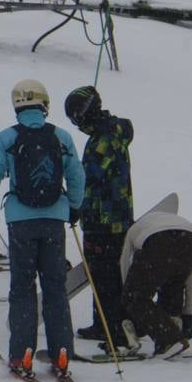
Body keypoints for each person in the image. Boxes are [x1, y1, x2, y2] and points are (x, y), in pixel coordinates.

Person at [0, 79, 84, 379]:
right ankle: (62, 350)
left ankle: (22, 352)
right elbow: (76, 174)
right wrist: (74, 206)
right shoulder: (61, 137)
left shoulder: (7, 138)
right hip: (54, 219)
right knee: (55, 286)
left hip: (20, 221)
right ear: (44, 103)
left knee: (22, 287)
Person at [64, 85, 133, 345]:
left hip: (105, 220)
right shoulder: (109, 133)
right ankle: (103, 322)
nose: (76, 122)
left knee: (106, 276)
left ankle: (114, 330)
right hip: (113, 216)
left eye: (76, 116)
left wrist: (70, 182)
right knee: (104, 274)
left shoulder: (104, 138)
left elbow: (90, 176)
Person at [116, 195, 192, 356]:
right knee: (174, 284)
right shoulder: (174, 221)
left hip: (158, 241)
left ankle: (170, 338)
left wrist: (128, 303)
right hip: (190, 241)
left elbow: (125, 264)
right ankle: (174, 331)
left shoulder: (134, 229)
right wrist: (189, 317)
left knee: (134, 296)